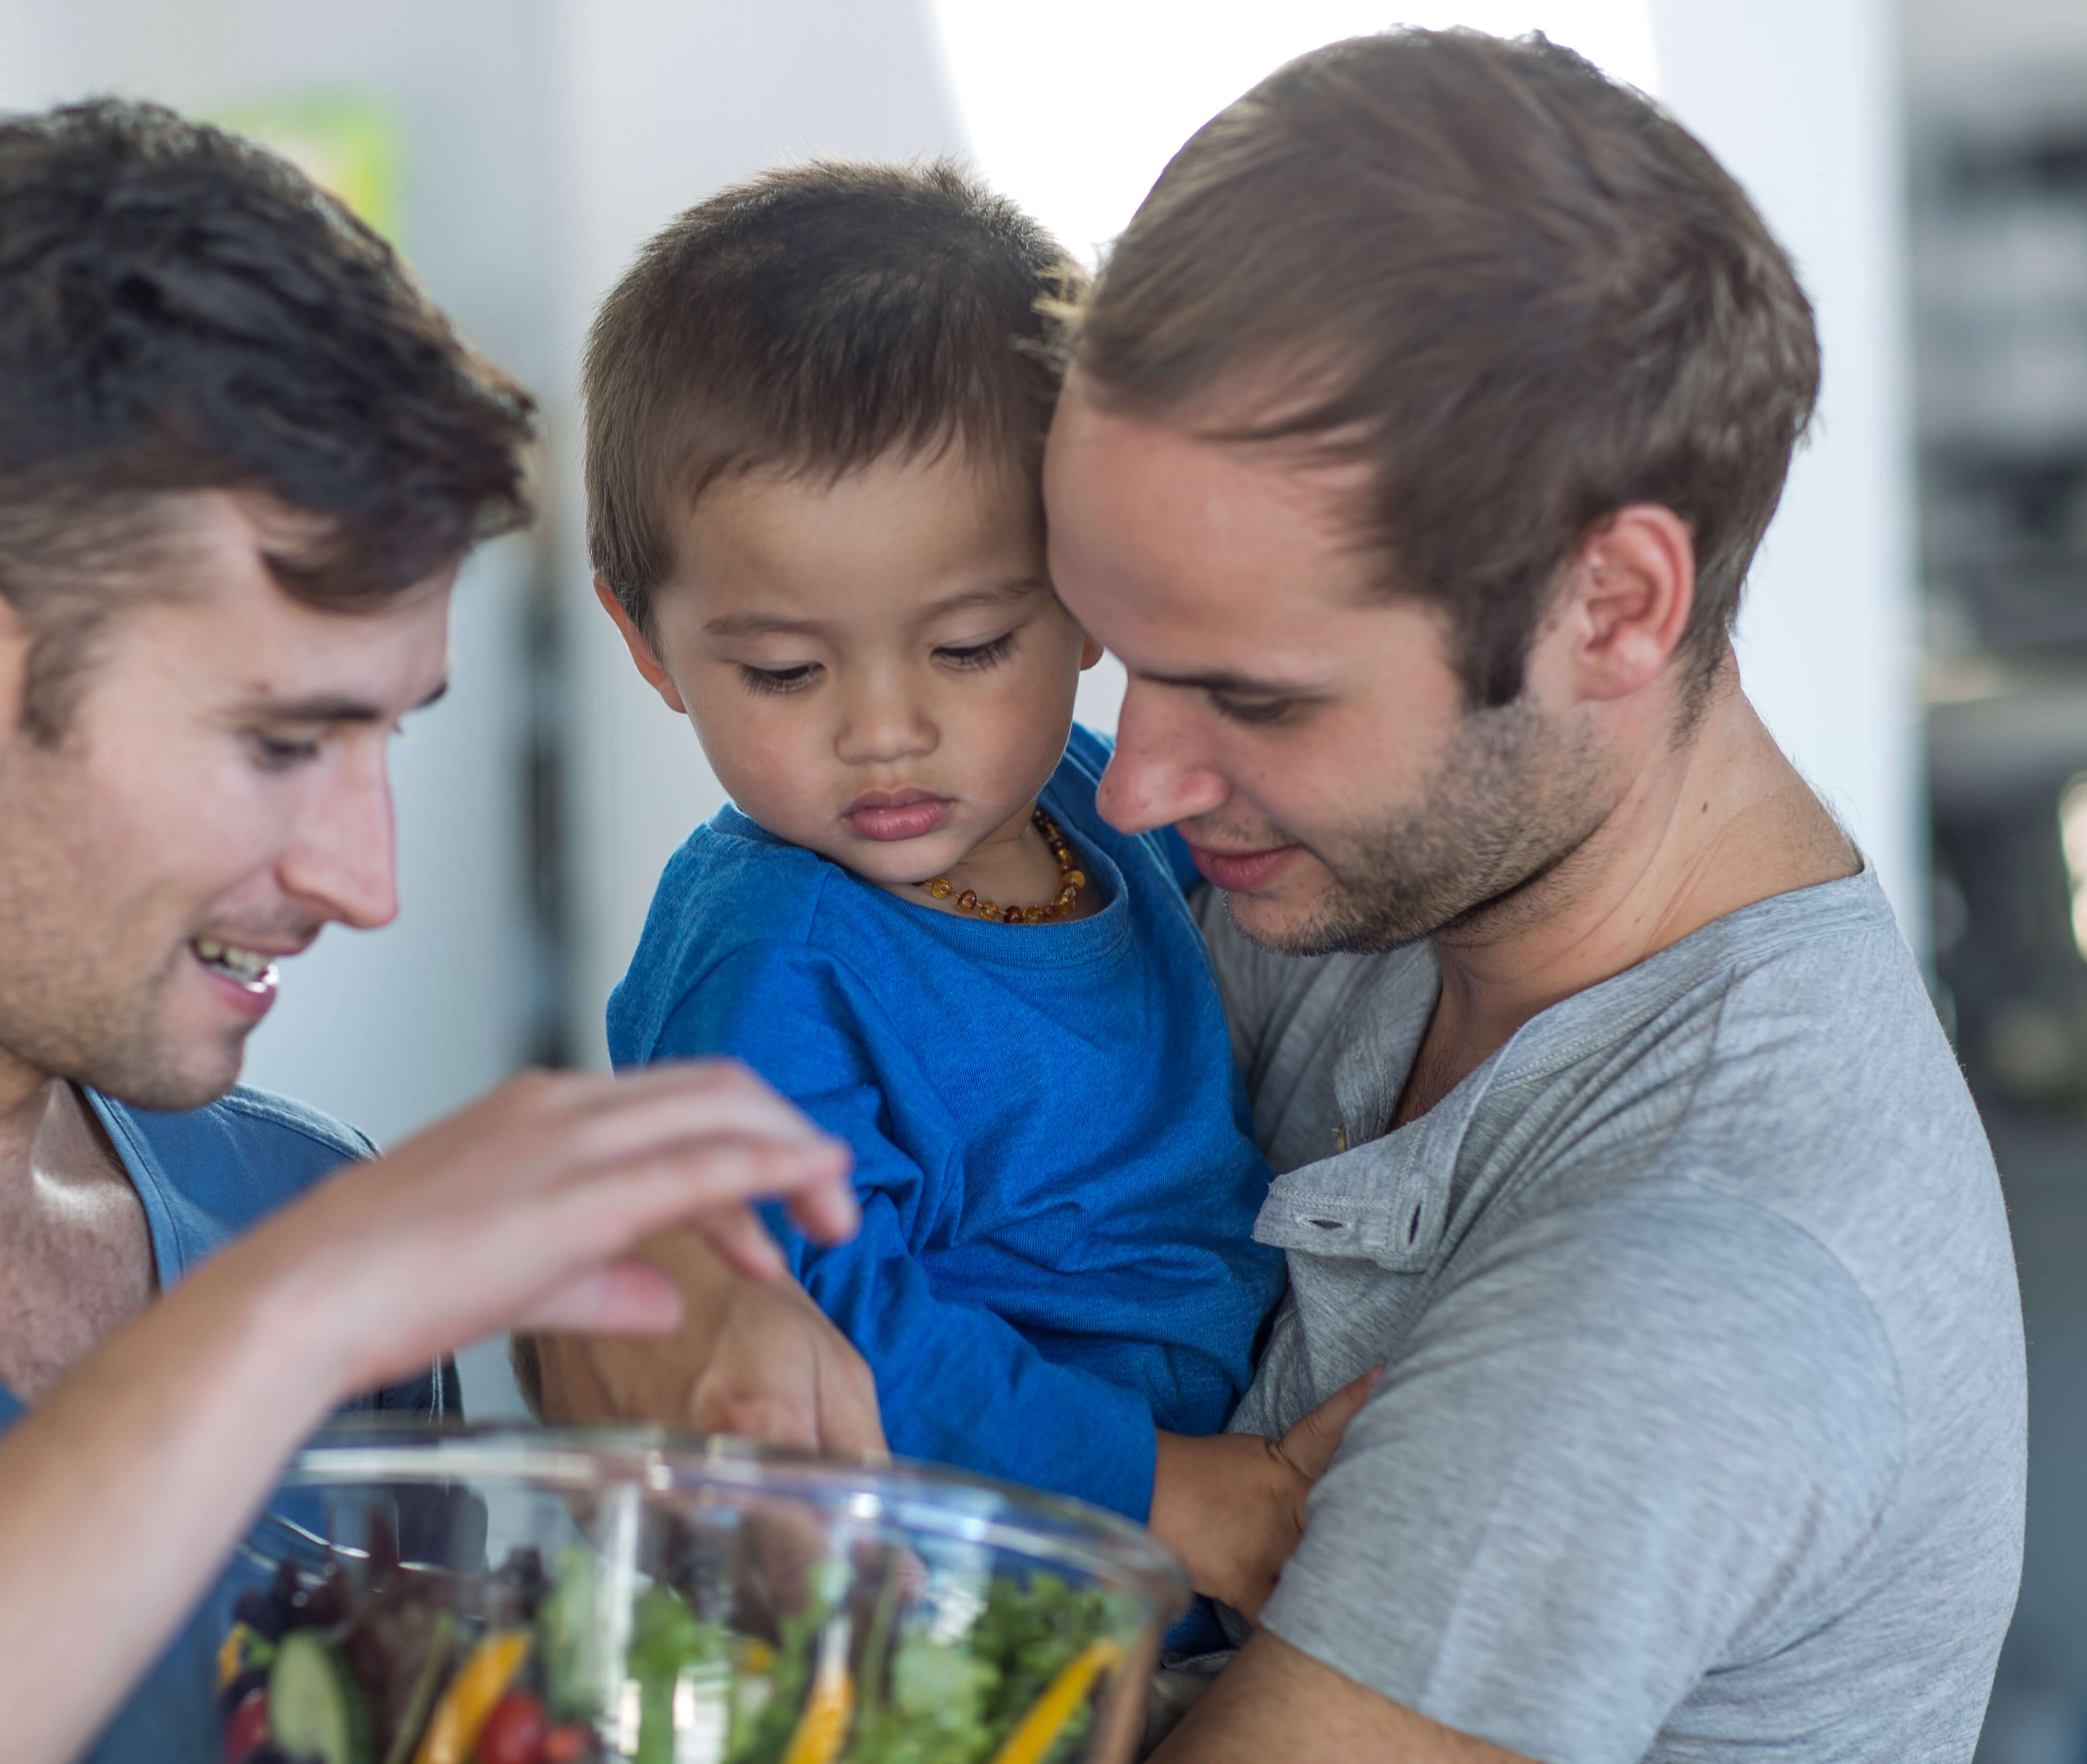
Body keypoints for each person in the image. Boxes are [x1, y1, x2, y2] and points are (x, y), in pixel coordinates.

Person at [533, 29, 2028, 1762]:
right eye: (1119, 644)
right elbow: (651, 1307)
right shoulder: (1295, 877)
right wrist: (659, 1280)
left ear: (1612, 606)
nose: (1142, 786)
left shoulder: (1687, 1286)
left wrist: (643, 1312)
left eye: (1255, 694)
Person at [0, 102, 860, 1764]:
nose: (365, 880)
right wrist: (281, 1324)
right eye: (281, 743)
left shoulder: (303, 1205)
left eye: (386, 738)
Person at [568, 159, 1371, 1626]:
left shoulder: (1086, 796)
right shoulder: (767, 957)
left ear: (1089, 602)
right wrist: (1165, 1492)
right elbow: (828, 1323)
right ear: (647, 640)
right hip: (948, 1599)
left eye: (969, 648)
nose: (887, 730)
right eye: (787, 672)